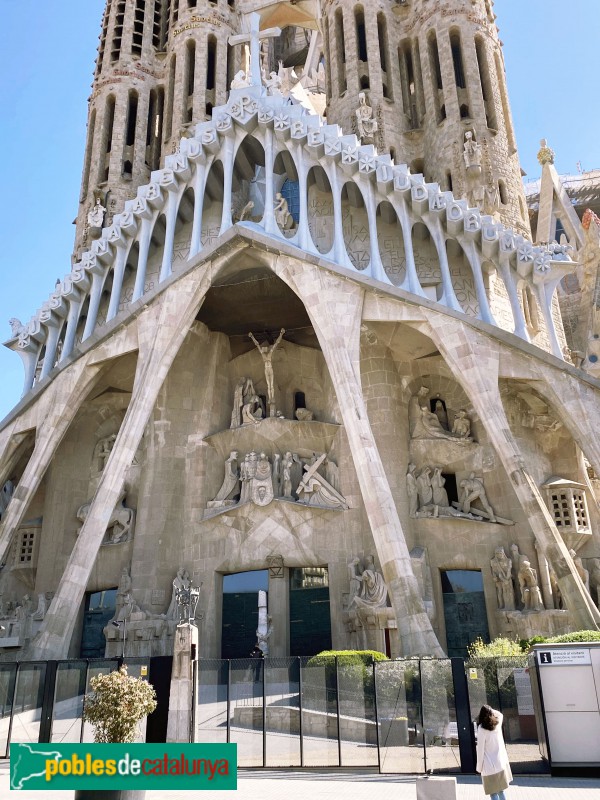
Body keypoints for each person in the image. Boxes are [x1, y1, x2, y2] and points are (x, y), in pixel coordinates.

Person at [476, 705, 512, 800]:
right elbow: (499, 714)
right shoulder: (497, 723)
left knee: (493, 793)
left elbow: (480, 750)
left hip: (488, 766)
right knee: (501, 791)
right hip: (499, 764)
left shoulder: (481, 729)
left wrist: (479, 768)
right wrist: (490, 710)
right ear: (491, 714)